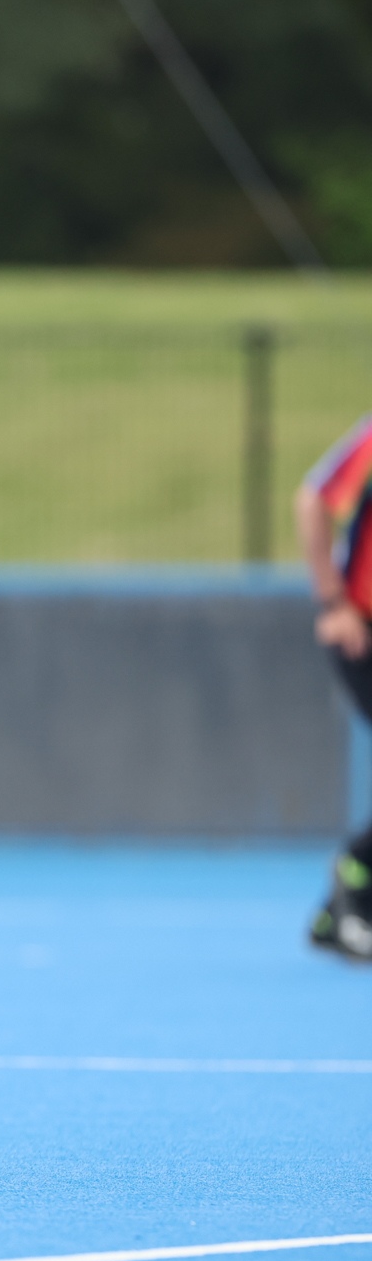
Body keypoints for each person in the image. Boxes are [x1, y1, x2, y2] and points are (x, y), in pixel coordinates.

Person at [300, 409, 372, 958]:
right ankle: (354, 879)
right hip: (360, 630)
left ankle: (333, 914)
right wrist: (332, 601)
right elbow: (313, 500)